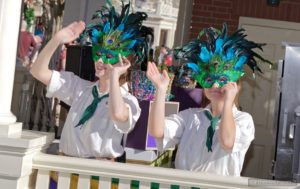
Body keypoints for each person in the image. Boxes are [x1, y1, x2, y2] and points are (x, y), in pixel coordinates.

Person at [30, 0, 153, 161]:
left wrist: (115, 75)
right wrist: (57, 39)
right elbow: (37, 71)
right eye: (98, 53)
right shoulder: (80, 88)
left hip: (96, 178)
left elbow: (118, 114)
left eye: (108, 56)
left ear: (124, 61)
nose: (100, 60)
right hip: (64, 170)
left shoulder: (129, 102)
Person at [147, 23, 272, 176]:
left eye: (222, 79)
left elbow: (227, 142)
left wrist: (227, 102)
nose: (214, 85)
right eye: (208, 79)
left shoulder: (244, 120)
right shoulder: (191, 116)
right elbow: (157, 132)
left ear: (236, 85)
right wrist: (160, 90)